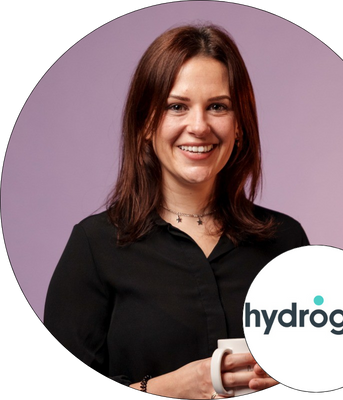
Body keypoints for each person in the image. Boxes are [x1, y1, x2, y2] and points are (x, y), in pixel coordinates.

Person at [44, 24, 309, 399]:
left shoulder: (286, 241)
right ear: (145, 124)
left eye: (217, 106)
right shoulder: (94, 246)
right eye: (176, 107)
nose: (199, 127)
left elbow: (318, 369)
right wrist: (170, 388)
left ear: (239, 126)